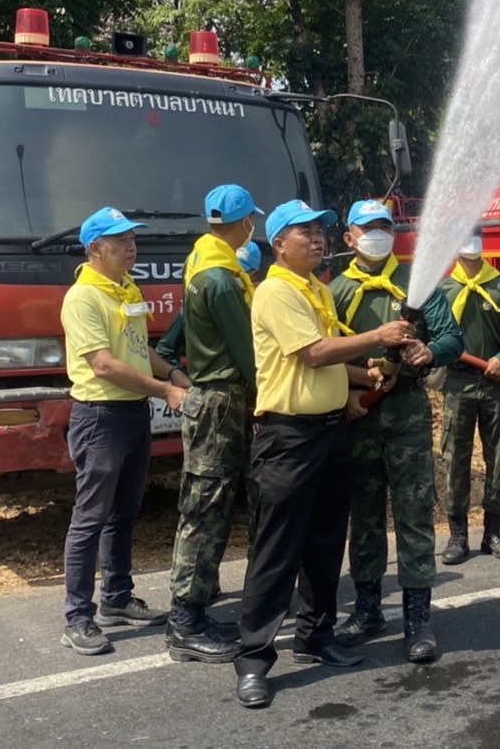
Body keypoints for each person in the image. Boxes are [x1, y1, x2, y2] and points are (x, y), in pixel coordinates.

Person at [233, 199, 418, 709]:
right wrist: (377, 336)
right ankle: (254, 661)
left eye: (319, 230)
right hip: (288, 437)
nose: (316, 238)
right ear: (278, 245)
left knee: (323, 542)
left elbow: (328, 363)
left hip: (329, 432)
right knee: (276, 550)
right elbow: (312, 354)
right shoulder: (275, 292)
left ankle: (316, 636)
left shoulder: (315, 289)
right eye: (303, 232)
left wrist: (368, 372)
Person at [327, 199, 464, 663]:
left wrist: (430, 352)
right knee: (363, 516)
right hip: (359, 415)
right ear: (349, 238)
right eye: (368, 228)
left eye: (384, 227)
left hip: (405, 412)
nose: (377, 235)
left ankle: (417, 618)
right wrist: (353, 383)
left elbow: (452, 337)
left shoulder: (417, 283)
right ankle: (367, 611)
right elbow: (323, 351)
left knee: (413, 512)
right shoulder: (336, 291)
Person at [59, 207, 191, 657]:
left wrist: (173, 374)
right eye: (121, 241)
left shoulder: (126, 288)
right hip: (100, 416)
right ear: (95, 248)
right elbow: (104, 365)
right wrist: (164, 391)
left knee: (124, 512)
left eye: (133, 239)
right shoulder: (83, 298)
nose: (132, 247)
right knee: (90, 517)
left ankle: (116, 598)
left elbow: (138, 349)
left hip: (133, 414)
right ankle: (78, 617)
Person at [161, 184, 265, 664]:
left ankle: (196, 611)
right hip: (221, 401)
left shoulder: (202, 262)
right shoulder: (222, 279)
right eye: (252, 221)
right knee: (205, 512)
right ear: (245, 223)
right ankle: (184, 622)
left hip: (217, 400)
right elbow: (248, 355)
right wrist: (269, 398)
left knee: (210, 509)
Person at [437, 234, 500, 566]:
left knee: (497, 458)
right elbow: (428, 335)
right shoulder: (442, 291)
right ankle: (457, 536)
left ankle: (493, 532)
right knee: (455, 460)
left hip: (494, 385)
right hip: (457, 384)